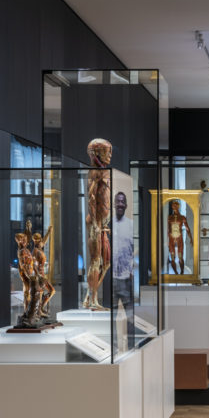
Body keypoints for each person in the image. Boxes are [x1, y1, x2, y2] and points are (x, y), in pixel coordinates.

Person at [83, 138, 112, 310]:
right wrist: (94, 222)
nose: (109, 155)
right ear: (97, 153)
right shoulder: (94, 172)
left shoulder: (105, 171)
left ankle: (89, 295)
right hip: (96, 222)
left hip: (103, 223)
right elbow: (91, 197)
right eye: (106, 152)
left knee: (106, 262)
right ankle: (93, 301)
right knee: (95, 261)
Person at [112, 191, 137, 346]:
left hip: (127, 279)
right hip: (112, 279)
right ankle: (113, 347)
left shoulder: (131, 225)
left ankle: (132, 346)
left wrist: (132, 270)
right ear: (114, 204)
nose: (120, 204)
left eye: (123, 202)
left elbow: (134, 250)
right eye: (118, 201)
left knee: (130, 316)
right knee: (112, 316)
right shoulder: (109, 225)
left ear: (126, 205)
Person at [166, 198, 192, 274]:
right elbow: (167, 229)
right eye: (173, 206)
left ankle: (182, 272)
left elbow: (187, 228)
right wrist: (166, 240)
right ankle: (176, 273)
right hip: (171, 238)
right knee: (172, 257)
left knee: (180, 257)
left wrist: (191, 238)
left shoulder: (182, 217)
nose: (174, 207)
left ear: (178, 207)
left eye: (175, 206)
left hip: (179, 238)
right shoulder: (169, 218)